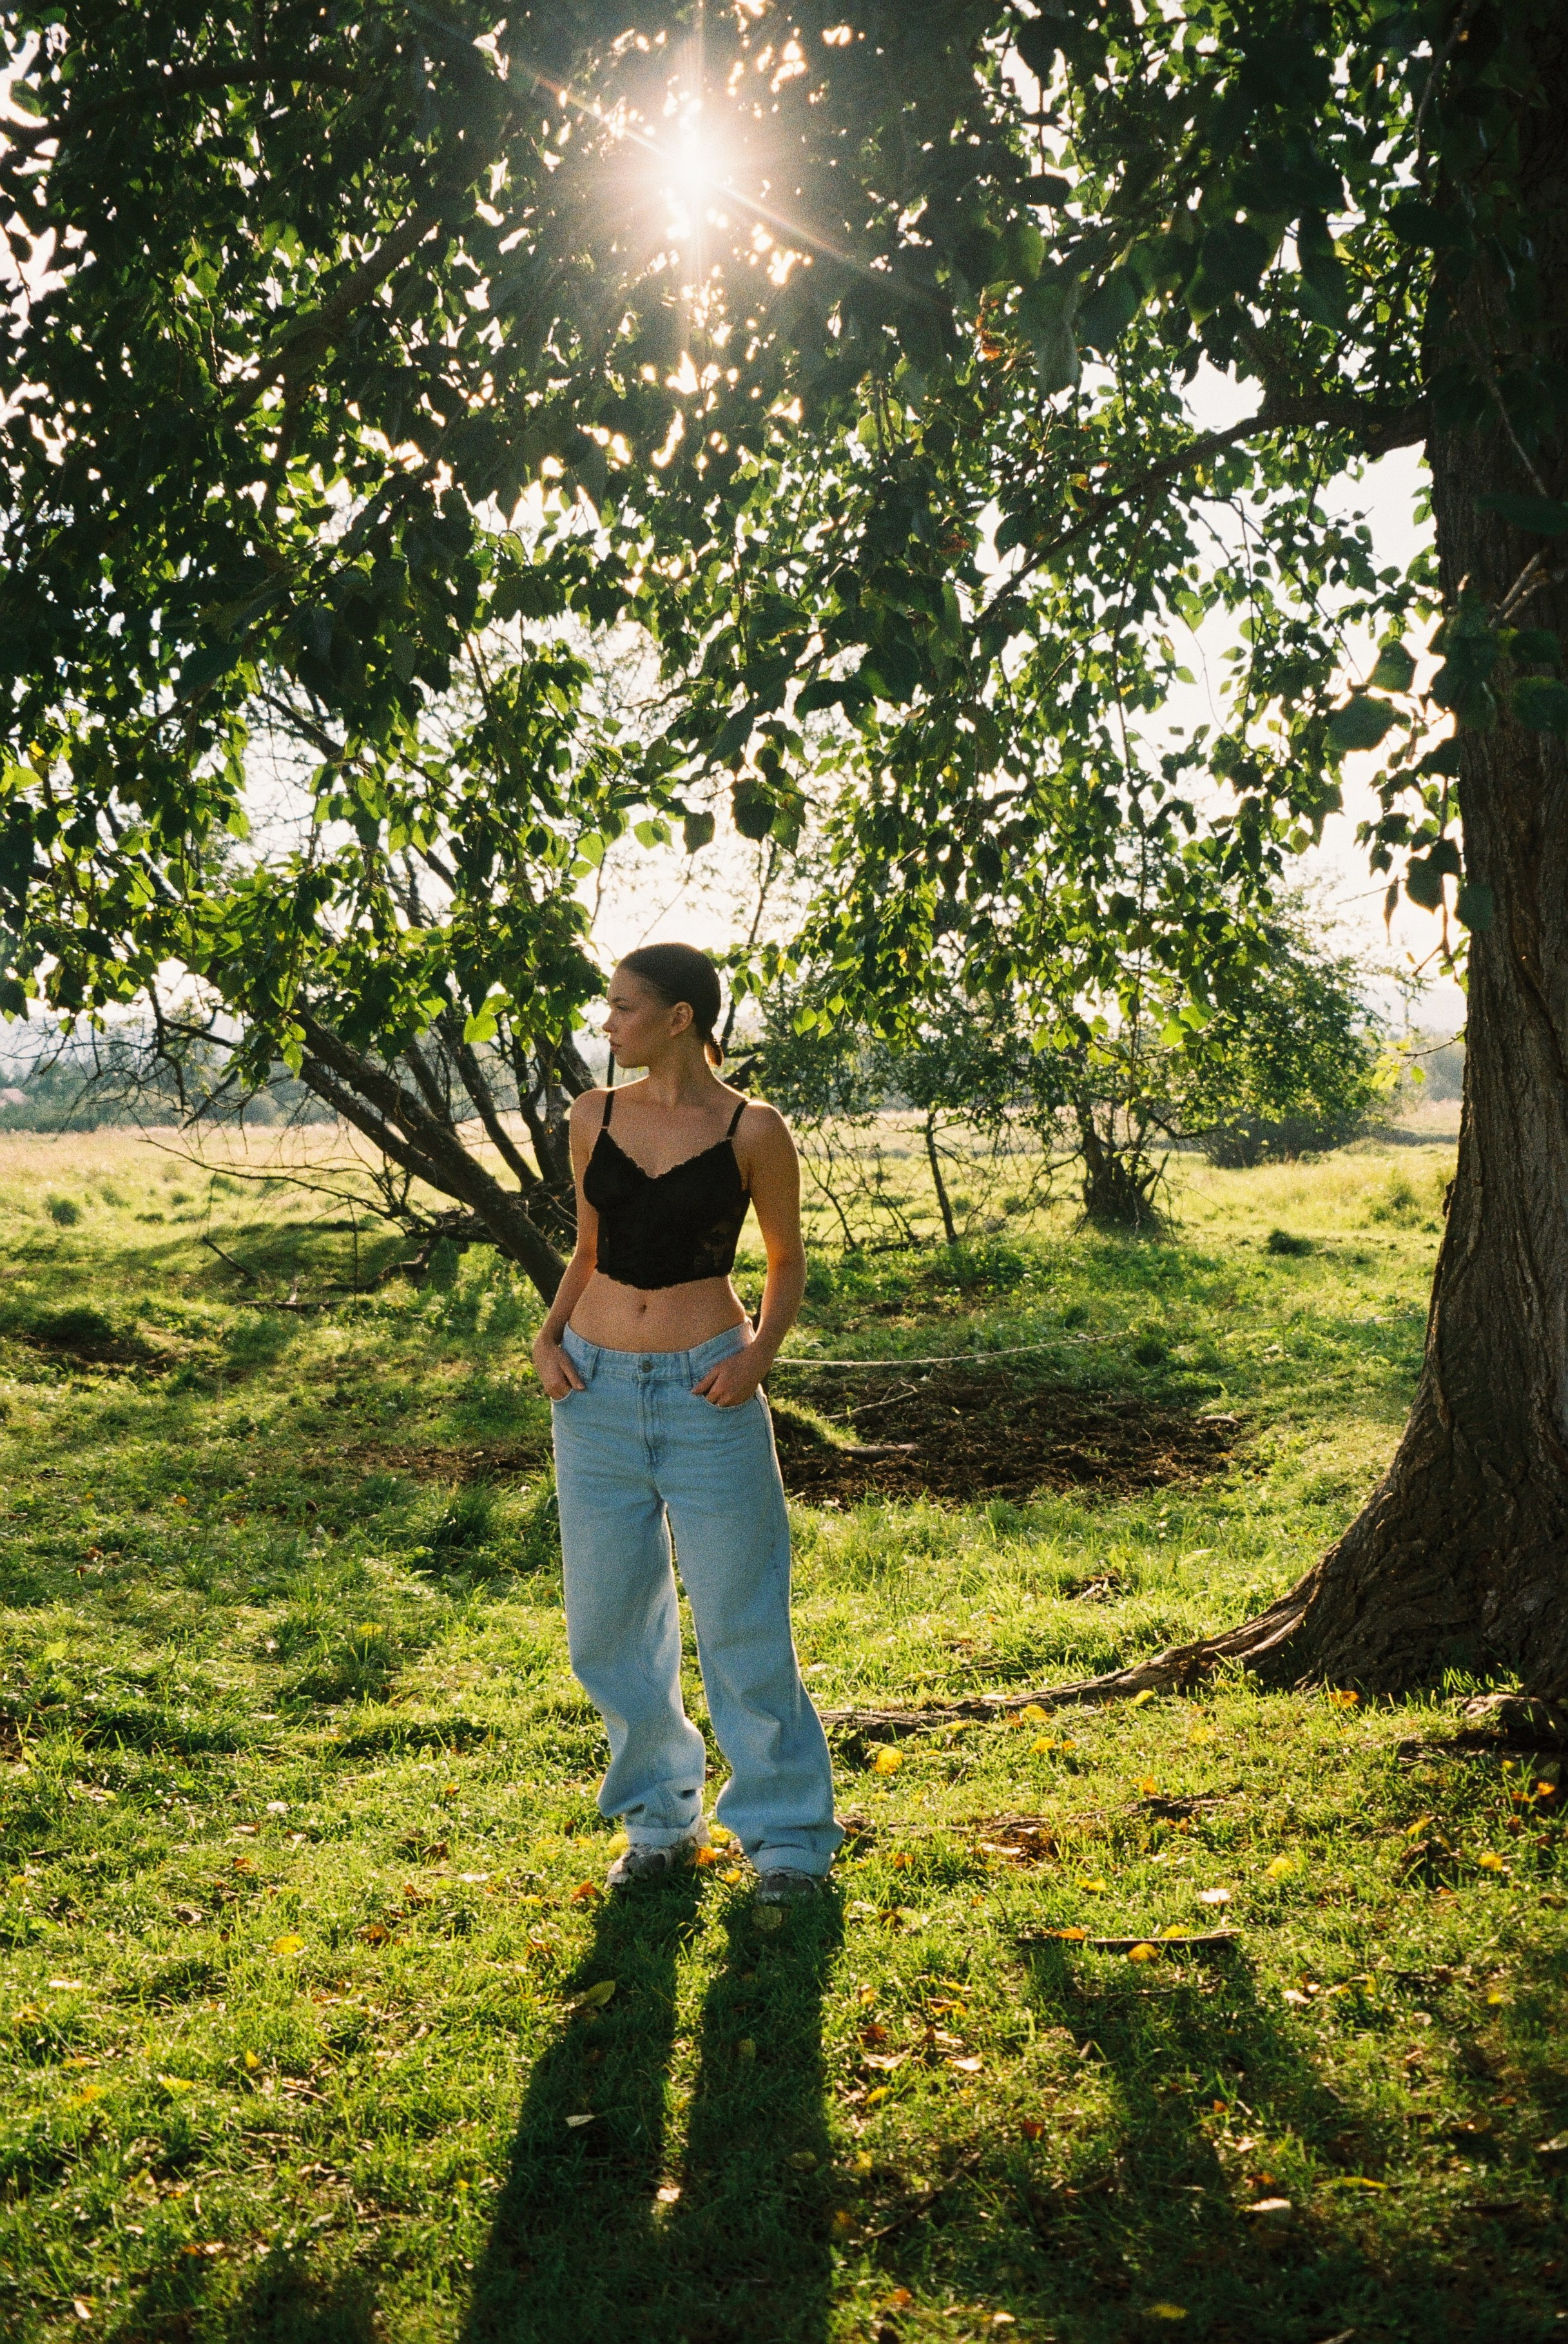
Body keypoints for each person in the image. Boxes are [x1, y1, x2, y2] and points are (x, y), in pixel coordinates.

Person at [530, 942, 842, 1903]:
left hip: (710, 1388)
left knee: (743, 1616)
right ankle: (660, 1823)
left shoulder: (754, 1128)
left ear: (678, 1018)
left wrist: (757, 1357)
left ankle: (787, 1841)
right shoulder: (595, 1114)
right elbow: (589, 1247)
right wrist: (547, 1337)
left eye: (623, 1008)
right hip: (592, 1393)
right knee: (609, 1627)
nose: (607, 1024)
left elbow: (785, 1260)